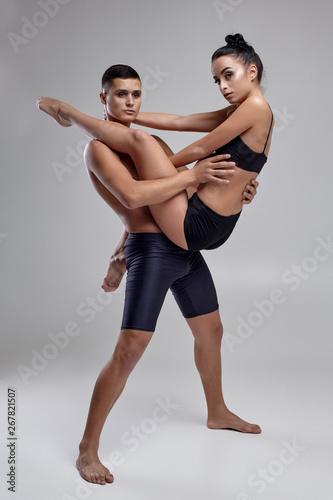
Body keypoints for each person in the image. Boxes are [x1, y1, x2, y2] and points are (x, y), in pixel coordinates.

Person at [36, 33, 274, 255]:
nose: (222, 86)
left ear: (252, 72)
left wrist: (150, 164)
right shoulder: (243, 112)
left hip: (195, 224)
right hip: (221, 225)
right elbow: (180, 122)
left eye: (228, 75)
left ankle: (66, 113)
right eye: (217, 80)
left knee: (145, 142)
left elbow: (201, 149)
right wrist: (130, 114)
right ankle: (122, 249)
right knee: (155, 143)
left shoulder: (254, 107)